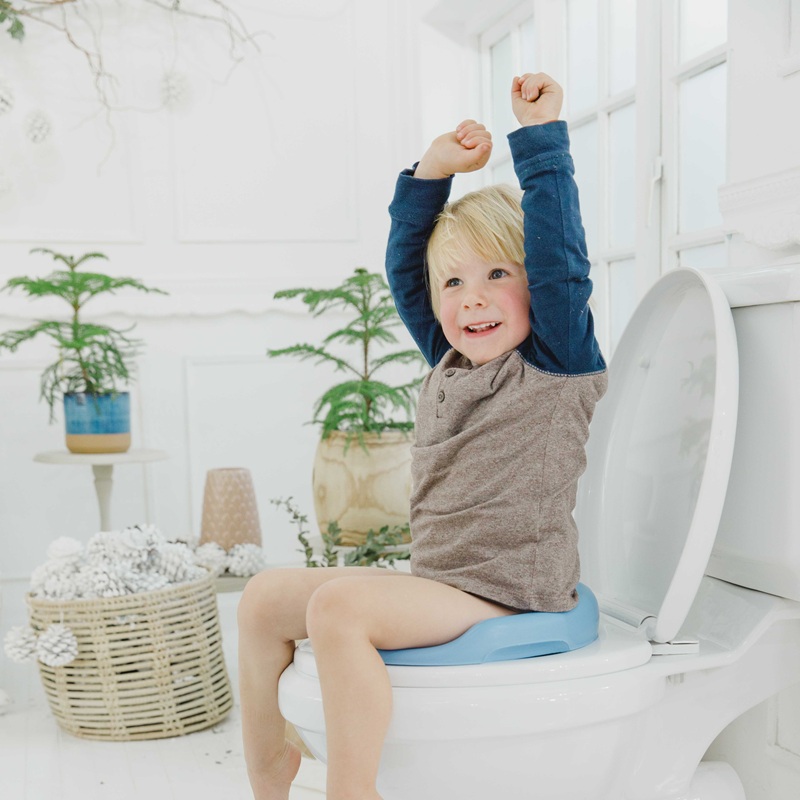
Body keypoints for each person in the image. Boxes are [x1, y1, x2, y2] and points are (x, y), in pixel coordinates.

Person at [237, 72, 606, 800]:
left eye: (497, 274)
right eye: (454, 284)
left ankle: (353, 791)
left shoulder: (555, 362)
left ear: (535, 285)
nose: (472, 298)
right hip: (442, 582)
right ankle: (268, 769)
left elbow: (563, 260)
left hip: (510, 591)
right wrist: (432, 172)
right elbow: (407, 269)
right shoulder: (450, 359)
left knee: (337, 610)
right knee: (263, 599)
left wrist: (540, 140)